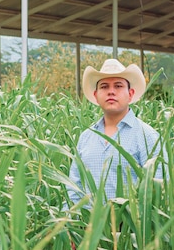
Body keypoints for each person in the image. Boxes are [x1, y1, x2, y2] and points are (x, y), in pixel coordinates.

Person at [67, 58, 163, 205]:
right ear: (96, 96)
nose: (111, 91)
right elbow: (74, 187)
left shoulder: (147, 136)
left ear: (130, 94)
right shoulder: (86, 137)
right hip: (87, 225)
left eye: (118, 86)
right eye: (104, 87)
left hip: (130, 226)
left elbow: (158, 189)